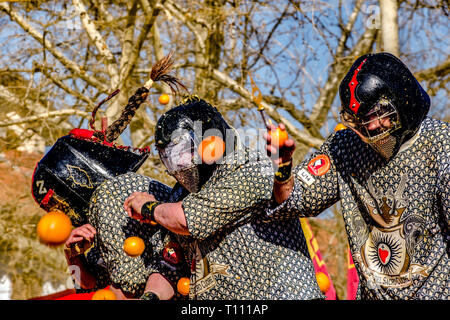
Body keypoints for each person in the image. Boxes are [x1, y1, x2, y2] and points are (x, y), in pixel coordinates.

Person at [265, 52, 449, 299]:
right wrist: (284, 165)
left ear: (401, 99)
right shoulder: (346, 147)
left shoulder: (440, 145)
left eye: (377, 115)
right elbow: (291, 201)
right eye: (361, 120)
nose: (370, 127)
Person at [124, 95, 324, 300]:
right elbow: (169, 266)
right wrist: (151, 296)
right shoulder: (180, 196)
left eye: (184, 151)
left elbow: (189, 219)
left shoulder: (249, 167)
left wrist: (149, 207)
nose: (179, 165)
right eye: (169, 157)